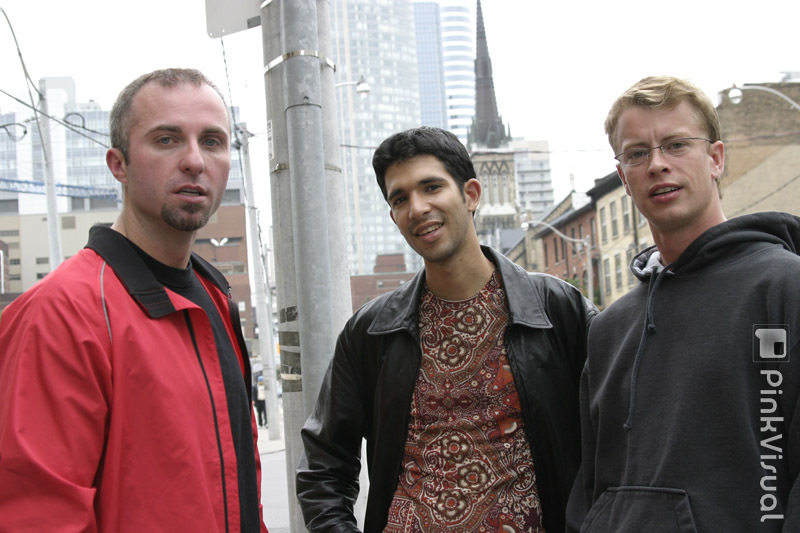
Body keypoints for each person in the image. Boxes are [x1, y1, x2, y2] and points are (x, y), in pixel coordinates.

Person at [0, 68, 268, 532]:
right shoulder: (60, 312)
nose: (194, 161)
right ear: (118, 164)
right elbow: (37, 516)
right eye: (166, 140)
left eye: (212, 141)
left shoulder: (214, 298)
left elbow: (235, 483)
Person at [296, 126, 597, 532]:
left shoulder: (558, 310)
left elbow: (621, 437)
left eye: (431, 187)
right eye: (400, 199)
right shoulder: (371, 332)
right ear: (393, 216)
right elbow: (323, 465)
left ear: (471, 194)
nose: (417, 208)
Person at [566, 76, 800, 532]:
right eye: (637, 153)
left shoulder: (784, 288)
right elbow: (591, 487)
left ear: (716, 159)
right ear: (624, 178)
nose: (657, 164)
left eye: (676, 145)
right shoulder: (609, 330)